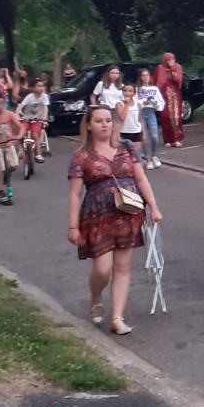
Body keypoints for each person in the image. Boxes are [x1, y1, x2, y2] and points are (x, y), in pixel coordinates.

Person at [67, 105, 162, 336]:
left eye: (108, 120)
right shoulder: (81, 156)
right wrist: (72, 226)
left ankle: (117, 318)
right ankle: (96, 296)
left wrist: (154, 207)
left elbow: (141, 179)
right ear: (89, 125)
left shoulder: (127, 147)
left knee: (122, 267)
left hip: (128, 214)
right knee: (102, 269)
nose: (105, 125)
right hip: (97, 216)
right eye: (99, 121)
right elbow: (75, 194)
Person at [18, 77, 51, 176]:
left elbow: (45, 108)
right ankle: (22, 149)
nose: (41, 88)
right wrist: (17, 116)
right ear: (33, 88)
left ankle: (38, 154)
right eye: (38, 86)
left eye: (42, 86)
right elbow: (20, 106)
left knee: (35, 135)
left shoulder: (44, 96)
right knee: (21, 134)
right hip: (26, 119)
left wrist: (44, 119)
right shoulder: (29, 97)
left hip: (37, 120)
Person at [133, 69, 166, 168]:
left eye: (147, 75)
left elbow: (161, 103)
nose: (145, 77)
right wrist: (141, 104)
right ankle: (148, 159)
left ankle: (154, 155)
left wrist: (155, 104)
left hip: (151, 113)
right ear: (140, 77)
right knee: (144, 137)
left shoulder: (154, 89)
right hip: (141, 114)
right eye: (143, 75)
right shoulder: (137, 89)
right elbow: (134, 101)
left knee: (155, 136)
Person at [154, 52, 186, 149]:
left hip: (175, 96)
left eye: (171, 60)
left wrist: (172, 69)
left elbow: (179, 80)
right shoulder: (160, 68)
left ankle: (176, 139)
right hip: (163, 96)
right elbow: (156, 81)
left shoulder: (177, 67)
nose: (169, 62)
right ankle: (167, 139)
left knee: (176, 117)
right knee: (165, 117)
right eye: (167, 60)